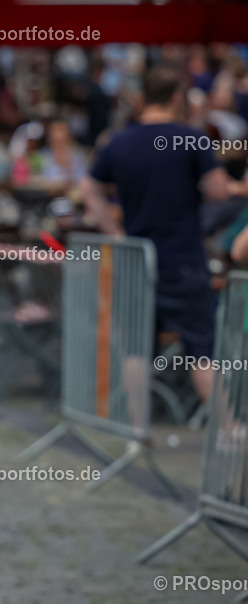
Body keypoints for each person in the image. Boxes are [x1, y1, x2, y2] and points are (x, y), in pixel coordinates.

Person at [83, 65, 241, 405]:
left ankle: (137, 434)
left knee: (138, 351)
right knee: (202, 351)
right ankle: (226, 438)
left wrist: (116, 233)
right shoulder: (190, 138)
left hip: (137, 257)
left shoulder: (118, 142)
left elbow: (89, 190)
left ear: (142, 99)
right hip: (182, 258)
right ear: (175, 98)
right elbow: (218, 191)